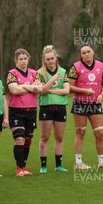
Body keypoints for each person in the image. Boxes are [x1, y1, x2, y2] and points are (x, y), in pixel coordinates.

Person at [68, 44, 103, 169]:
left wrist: (101, 94)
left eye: (88, 51)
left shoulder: (101, 66)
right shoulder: (75, 67)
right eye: (84, 53)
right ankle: (79, 163)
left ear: (93, 52)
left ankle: (101, 162)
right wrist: (84, 91)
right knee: (80, 132)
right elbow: (69, 87)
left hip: (95, 103)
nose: (86, 54)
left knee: (100, 133)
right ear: (81, 55)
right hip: (80, 103)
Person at [7, 48, 43, 177]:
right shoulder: (12, 73)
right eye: (20, 59)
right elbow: (14, 90)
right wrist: (31, 87)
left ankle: (24, 166)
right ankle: (19, 168)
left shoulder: (35, 73)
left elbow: (40, 88)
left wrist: (22, 86)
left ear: (28, 59)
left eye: (25, 59)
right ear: (16, 60)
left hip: (31, 111)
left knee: (27, 140)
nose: (23, 61)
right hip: (16, 111)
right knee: (20, 139)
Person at [36, 45, 69, 173]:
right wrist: (53, 80)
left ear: (56, 58)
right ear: (44, 60)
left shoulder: (63, 72)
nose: (50, 61)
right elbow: (42, 91)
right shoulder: (39, 73)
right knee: (44, 137)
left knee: (59, 137)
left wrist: (49, 90)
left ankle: (58, 165)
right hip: (46, 107)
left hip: (60, 107)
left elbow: (66, 90)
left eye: (52, 58)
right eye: (48, 59)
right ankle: (43, 165)